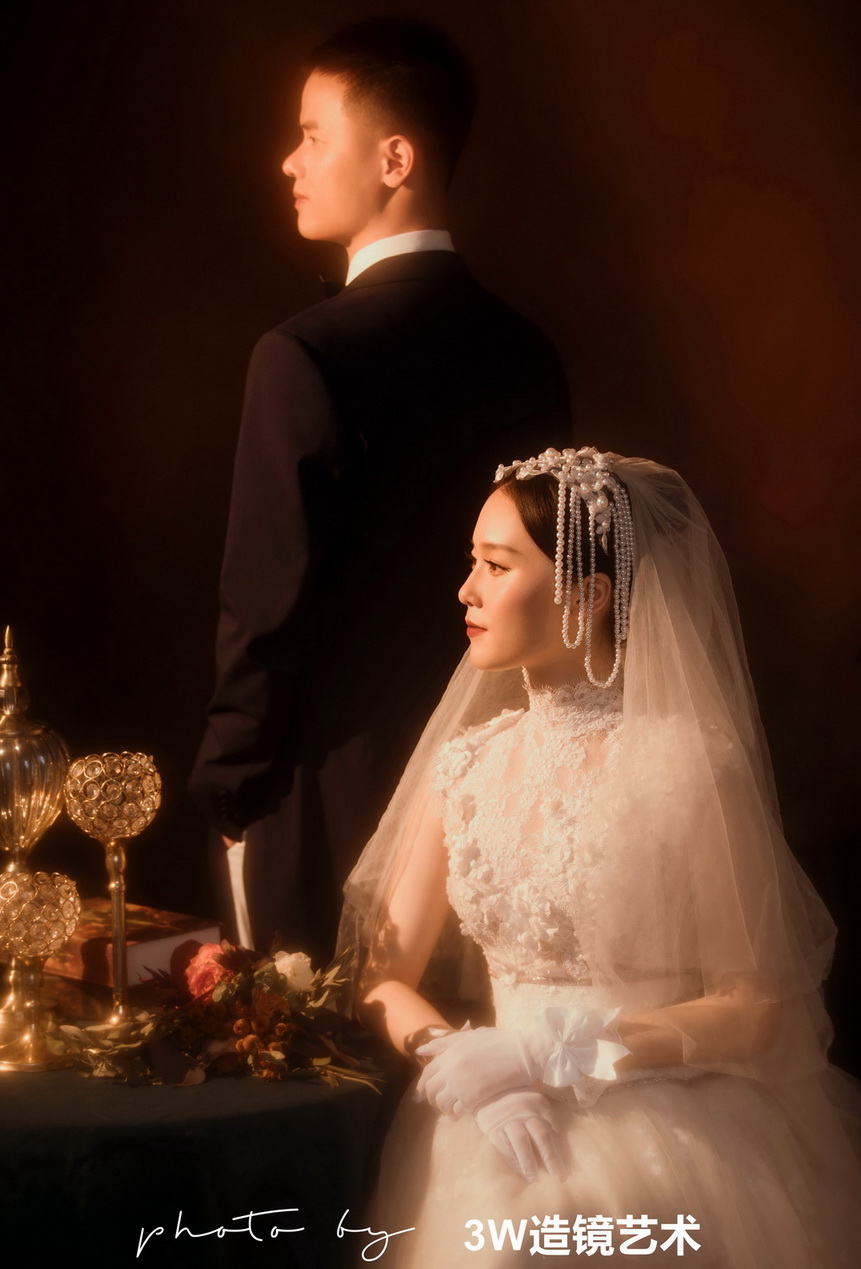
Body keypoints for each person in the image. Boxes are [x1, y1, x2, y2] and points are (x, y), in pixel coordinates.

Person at [339, 446, 861, 1266]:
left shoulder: (686, 764)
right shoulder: (465, 764)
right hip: (493, 1111)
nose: (466, 589)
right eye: (472, 562)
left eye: (496, 565)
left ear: (585, 595)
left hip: (662, 1115)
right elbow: (381, 976)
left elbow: (755, 1005)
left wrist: (548, 1050)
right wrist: (455, 1058)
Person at [188, 18, 570, 961]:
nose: (289, 161)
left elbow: (265, 611)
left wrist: (228, 788)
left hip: (326, 802)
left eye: (313, 135)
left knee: (326, 1048)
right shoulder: (529, 356)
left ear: (394, 158)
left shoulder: (303, 355)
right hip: (501, 794)